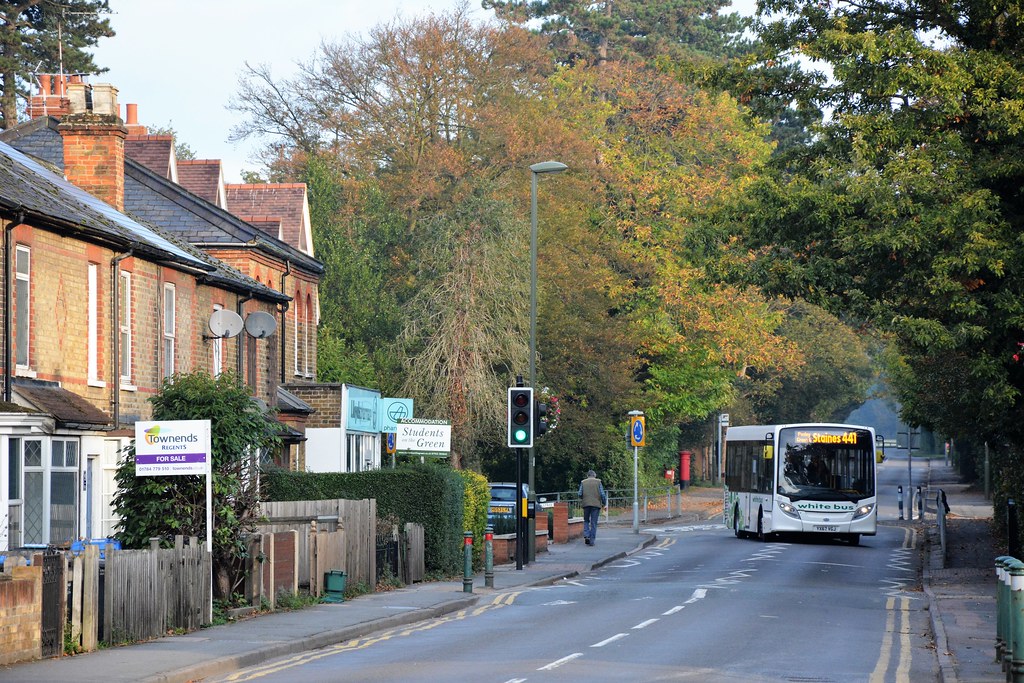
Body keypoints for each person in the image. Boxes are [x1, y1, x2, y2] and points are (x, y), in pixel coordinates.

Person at [578, 469, 607, 546]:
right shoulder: (598, 482)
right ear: (594, 475)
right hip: (596, 505)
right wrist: (604, 503)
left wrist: (584, 498)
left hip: (586, 504)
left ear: (587, 475)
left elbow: (579, 494)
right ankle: (592, 541)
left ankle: (586, 535)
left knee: (586, 520)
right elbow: (602, 494)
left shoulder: (583, 482)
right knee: (594, 523)